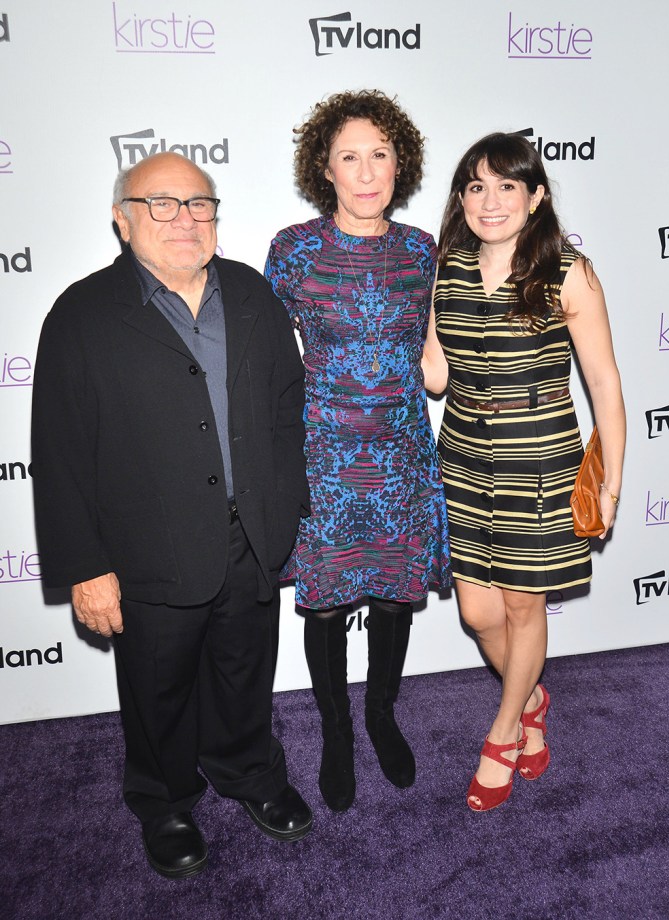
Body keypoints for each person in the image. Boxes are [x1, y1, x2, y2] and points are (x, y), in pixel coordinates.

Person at [31, 152, 313, 879]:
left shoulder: (252, 293)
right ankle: (164, 800)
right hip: (146, 547)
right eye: (161, 204)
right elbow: (58, 452)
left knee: (246, 669)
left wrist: (287, 506)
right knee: (157, 686)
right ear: (123, 221)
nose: (183, 219)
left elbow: (287, 411)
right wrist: (86, 568)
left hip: (251, 533)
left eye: (199, 204)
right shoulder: (82, 314)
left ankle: (250, 771)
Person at [425, 132, 625, 811]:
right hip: (462, 455)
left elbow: (604, 384)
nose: (491, 200)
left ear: (536, 196)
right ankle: (533, 694)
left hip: (539, 452)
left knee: (522, 604)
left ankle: (505, 731)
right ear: (462, 198)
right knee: (480, 612)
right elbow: (435, 373)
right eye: (476, 186)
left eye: (507, 186)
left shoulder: (569, 271)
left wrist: (611, 479)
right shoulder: (443, 267)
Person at [264, 90, 451, 813]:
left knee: (397, 595)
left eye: (380, 154)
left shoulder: (420, 250)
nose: (367, 171)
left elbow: (434, 353)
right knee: (327, 605)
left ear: (399, 163)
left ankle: (380, 713)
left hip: (402, 449)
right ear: (325, 168)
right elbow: (271, 361)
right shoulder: (293, 250)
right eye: (350, 156)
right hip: (325, 453)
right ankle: (338, 730)